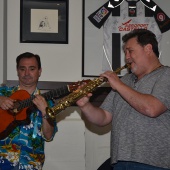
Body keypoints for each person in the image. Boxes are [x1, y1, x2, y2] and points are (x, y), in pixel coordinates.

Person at [76, 29, 170, 170]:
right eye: (125, 52)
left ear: (148, 48)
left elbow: (152, 109)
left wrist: (118, 84)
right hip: (120, 161)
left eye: (130, 51)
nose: (126, 57)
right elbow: (103, 118)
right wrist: (85, 105)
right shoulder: (125, 81)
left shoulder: (166, 75)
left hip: (153, 163)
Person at [0, 52, 57, 170]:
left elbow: (49, 135)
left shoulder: (48, 103)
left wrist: (45, 111)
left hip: (31, 164)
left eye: (32, 69)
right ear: (17, 71)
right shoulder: (4, 92)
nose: (27, 73)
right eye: (22, 69)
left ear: (39, 71)